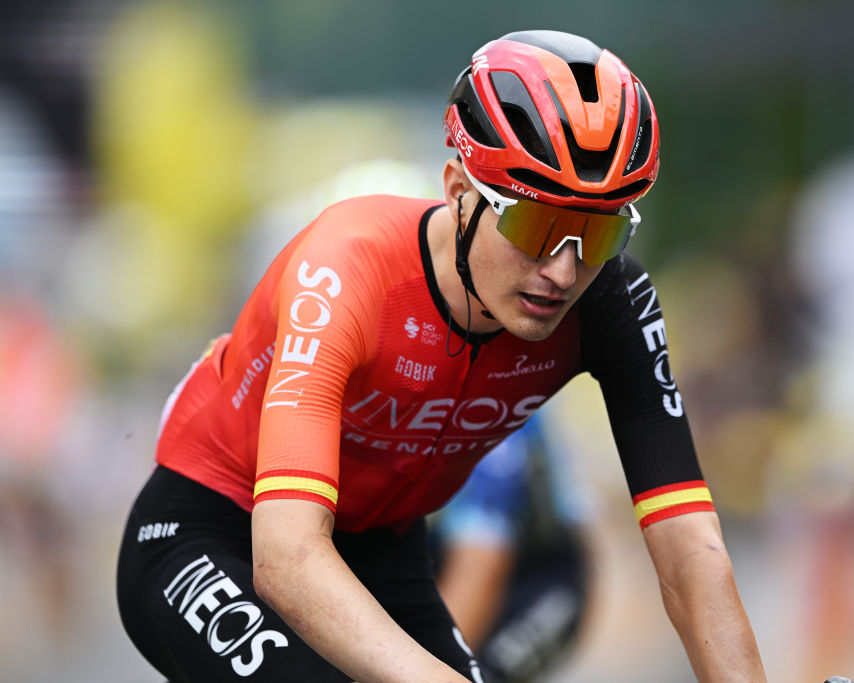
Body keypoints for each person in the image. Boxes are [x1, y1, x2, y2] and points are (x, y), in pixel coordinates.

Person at [116, 29, 767, 682]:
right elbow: (286, 557)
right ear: (458, 190)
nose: (563, 272)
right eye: (535, 225)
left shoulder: (612, 301)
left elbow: (691, 554)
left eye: (599, 232)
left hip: (386, 553)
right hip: (212, 532)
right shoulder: (347, 269)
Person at [430, 412, 592, 682]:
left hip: (534, 578)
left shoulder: (484, 419)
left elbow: (481, 565)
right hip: (440, 560)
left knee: (460, 672)